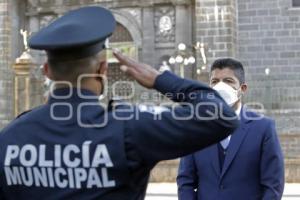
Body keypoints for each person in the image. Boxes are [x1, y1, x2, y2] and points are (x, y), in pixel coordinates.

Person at [0, 7, 239, 200]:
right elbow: (220, 116)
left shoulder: (10, 138)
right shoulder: (129, 128)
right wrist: (160, 79)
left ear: (46, 70)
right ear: (103, 68)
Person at [177, 58, 285, 200]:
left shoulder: (263, 128)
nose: (221, 87)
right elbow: (186, 181)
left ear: (243, 88)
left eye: (228, 81)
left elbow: (273, 184)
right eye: (215, 82)